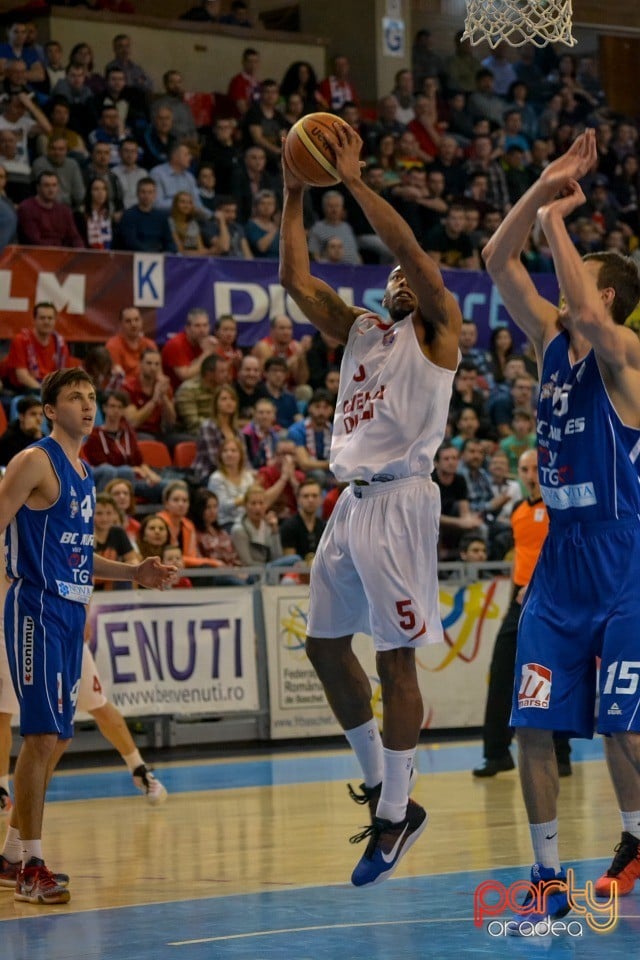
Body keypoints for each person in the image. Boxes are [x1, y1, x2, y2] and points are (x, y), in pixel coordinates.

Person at [280, 119, 461, 886]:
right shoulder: (361, 331)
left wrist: (351, 181)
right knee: (325, 648)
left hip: (401, 505)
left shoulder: (438, 331)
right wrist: (293, 191)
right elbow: (297, 283)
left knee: (394, 660)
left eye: (405, 278)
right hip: (349, 505)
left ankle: (396, 811)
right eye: (389, 281)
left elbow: (414, 257)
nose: (396, 281)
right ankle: (383, 791)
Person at [482, 128, 640, 930]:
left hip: (623, 558)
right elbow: (492, 261)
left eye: (580, 281)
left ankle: (637, 838)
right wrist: (540, 187)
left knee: (625, 729)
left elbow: (577, 301)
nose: (564, 287)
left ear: (608, 297)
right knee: (530, 724)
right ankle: (546, 878)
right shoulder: (549, 343)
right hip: (559, 560)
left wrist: (557, 222)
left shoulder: (627, 356)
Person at [0, 369, 176, 905]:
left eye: (92, 397)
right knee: (39, 736)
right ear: (50, 409)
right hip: (35, 605)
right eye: (74, 397)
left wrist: (133, 573)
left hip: (72, 609)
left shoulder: (83, 472)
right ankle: (33, 865)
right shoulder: (35, 460)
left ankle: (10, 856)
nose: (87, 404)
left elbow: (79, 553)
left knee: (62, 735)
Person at [472, 449, 571, 779]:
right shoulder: (516, 510)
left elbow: (564, 553)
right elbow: (522, 554)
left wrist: (536, 585)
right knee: (501, 671)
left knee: (549, 676)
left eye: (536, 468)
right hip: (519, 603)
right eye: (525, 468)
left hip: (553, 601)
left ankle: (561, 753)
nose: (531, 474)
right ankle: (496, 752)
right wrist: (516, 585)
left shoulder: (560, 507)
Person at [280, 478, 325, 562]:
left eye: (314, 496)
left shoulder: (324, 527)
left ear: (320, 499)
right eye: (306, 496)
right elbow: (289, 562)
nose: (310, 500)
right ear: (298, 499)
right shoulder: (289, 526)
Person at [0, 396, 43, 466]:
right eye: (33, 414)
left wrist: (38, 438)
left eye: (41, 415)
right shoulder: (9, 439)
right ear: (21, 416)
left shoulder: (41, 436)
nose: (38, 419)